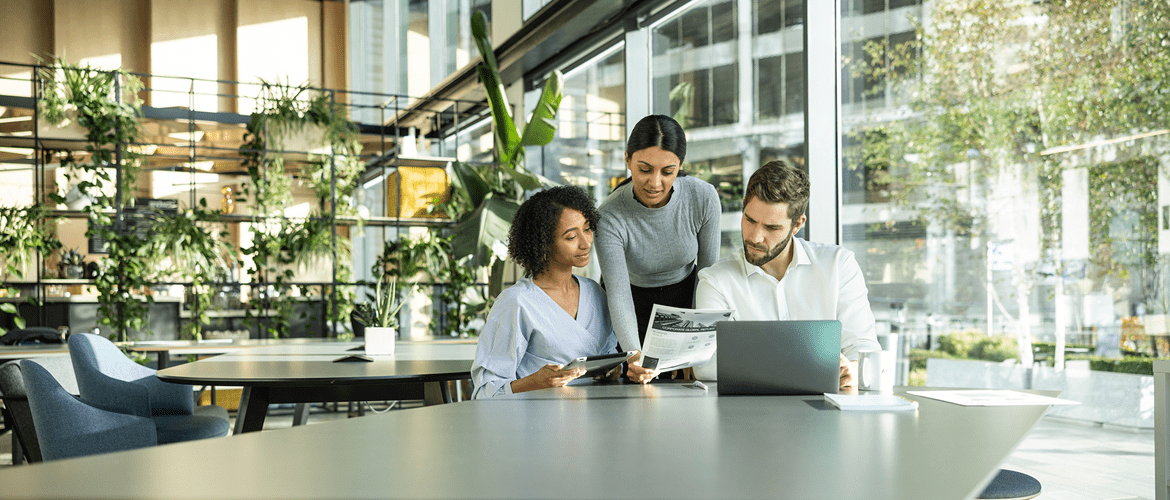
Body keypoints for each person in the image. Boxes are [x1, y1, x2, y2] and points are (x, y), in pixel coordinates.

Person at [692, 160, 882, 389]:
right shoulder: (716, 281)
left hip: (825, 412)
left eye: (772, 228)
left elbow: (864, 347)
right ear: (743, 206)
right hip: (747, 416)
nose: (755, 237)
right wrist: (808, 360)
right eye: (750, 220)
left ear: (797, 224)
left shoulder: (839, 266)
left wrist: (851, 367)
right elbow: (705, 364)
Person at [471, 186, 653, 399]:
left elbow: (609, 354)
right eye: (571, 237)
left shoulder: (595, 293)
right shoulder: (516, 303)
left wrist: (612, 370)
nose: (586, 243)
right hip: (537, 424)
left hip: (599, 419)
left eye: (587, 229)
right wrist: (534, 383)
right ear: (544, 243)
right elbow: (483, 394)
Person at [596, 115, 722, 377]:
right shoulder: (609, 216)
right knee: (638, 384)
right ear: (628, 159)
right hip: (632, 301)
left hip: (686, 297)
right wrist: (633, 354)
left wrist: (694, 349)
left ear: (680, 166)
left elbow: (709, 275)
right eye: (645, 169)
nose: (655, 183)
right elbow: (618, 295)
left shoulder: (703, 197)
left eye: (668, 172)